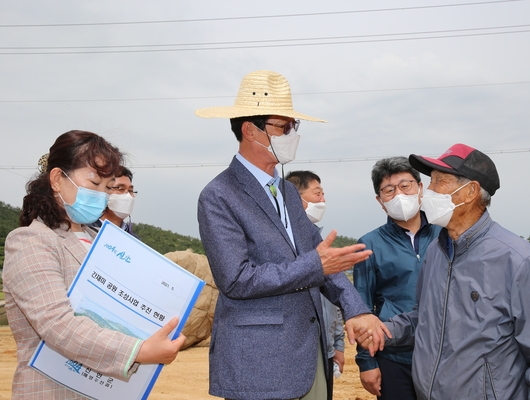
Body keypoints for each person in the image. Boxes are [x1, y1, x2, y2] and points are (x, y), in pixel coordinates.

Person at [195, 70, 387, 400]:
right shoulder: (219, 196)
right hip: (260, 363)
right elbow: (237, 279)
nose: (290, 135)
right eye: (283, 127)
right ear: (250, 130)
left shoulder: (284, 190)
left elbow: (318, 255)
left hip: (307, 350)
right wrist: (316, 265)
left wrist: (356, 309)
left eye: (292, 127)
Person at [348, 143, 530, 399]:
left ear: (469, 192)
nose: (429, 192)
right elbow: (423, 319)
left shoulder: (516, 260)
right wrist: (381, 330)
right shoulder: (437, 252)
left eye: (439, 183)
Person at [2, 130, 185, 399]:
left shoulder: (100, 240)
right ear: (57, 179)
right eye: (94, 183)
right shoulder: (30, 241)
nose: (102, 196)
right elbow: (58, 325)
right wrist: (137, 351)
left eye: (106, 186)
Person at [352, 157, 441, 399]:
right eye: (389, 190)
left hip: (445, 354)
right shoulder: (369, 244)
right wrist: (366, 363)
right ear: (380, 201)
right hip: (393, 355)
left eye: (406, 185)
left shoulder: (445, 234)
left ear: (420, 188)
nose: (399, 194)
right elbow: (361, 307)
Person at [285, 170, 345, 400]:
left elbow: (333, 302)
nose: (323, 201)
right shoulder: (280, 248)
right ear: (294, 198)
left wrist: (337, 345)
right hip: (292, 351)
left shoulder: (321, 245)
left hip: (324, 350)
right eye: (317, 193)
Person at [89, 165, 139, 238]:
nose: (128, 196)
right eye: (121, 189)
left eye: (130, 191)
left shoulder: (133, 240)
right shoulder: (86, 229)